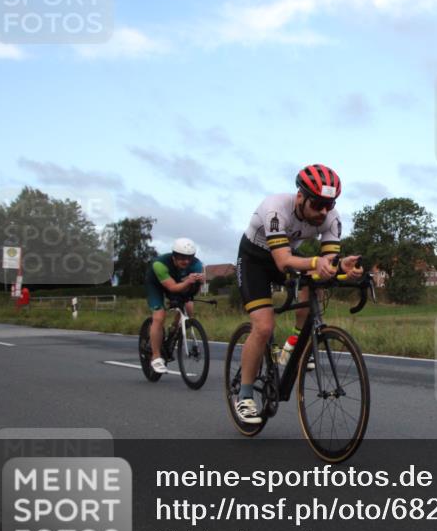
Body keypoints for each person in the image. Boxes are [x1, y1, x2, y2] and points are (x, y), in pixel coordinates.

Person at [234, 164, 362, 424]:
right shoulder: (275, 208)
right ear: (300, 196)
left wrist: (341, 270)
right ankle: (244, 396)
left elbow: (327, 265)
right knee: (264, 326)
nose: (323, 211)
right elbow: (283, 262)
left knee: (314, 284)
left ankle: (293, 345)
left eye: (330, 203)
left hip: (289, 255)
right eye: (317, 204)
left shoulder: (331, 219)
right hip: (255, 260)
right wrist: (318, 264)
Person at [144, 238, 204, 373]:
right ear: (174, 256)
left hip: (178, 283)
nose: (186, 261)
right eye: (182, 258)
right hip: (156, 284)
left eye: (189, 258)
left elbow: (192, 291)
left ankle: (174, 329)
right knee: (159, 317)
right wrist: (188, 281)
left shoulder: (197, 265)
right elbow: (172, 288)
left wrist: (198, 283)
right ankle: (156, 356)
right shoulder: (160, 264)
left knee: (188, 308)